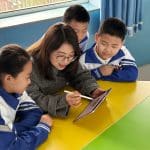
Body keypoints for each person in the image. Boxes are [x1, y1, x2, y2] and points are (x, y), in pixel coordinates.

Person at [27, 22, 104, 118]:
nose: (66, 61)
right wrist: (63, 101)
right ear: (47, 50)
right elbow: (33, 100)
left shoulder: (71, 59)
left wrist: (93, 89)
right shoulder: (28, 67)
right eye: (60, 56)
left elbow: (80, 75)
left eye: (71, 55)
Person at [0, 44, 52, 150]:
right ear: (9, 78)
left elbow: (34, 112)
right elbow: (13, 148)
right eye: (27, 77)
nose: (29, 82)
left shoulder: (16, 90)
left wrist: (13, 131)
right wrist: (43, 128)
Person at [80, 17, 138, 82]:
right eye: (104, 44)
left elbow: (132, 74)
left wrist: (102, 76)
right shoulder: (84, 60)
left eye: (114, 46)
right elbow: (77, 80)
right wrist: (99, 72)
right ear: (96, 37)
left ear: (122, 44)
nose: (108, 50)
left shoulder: (123, 51)